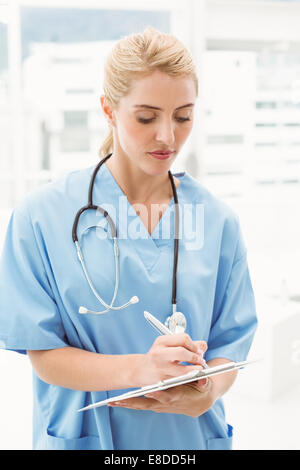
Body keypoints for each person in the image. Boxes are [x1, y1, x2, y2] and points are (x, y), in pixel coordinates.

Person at [0, 27, 257, 450]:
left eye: (183, 116)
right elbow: (43, 354)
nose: (167, 138)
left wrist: (210, 391)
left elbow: (231, 344)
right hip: (90, 440)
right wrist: (141, 369)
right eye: (146, 117)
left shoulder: (218, 222)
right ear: (108, 109)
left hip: (186, 442)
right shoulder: (41, 217)